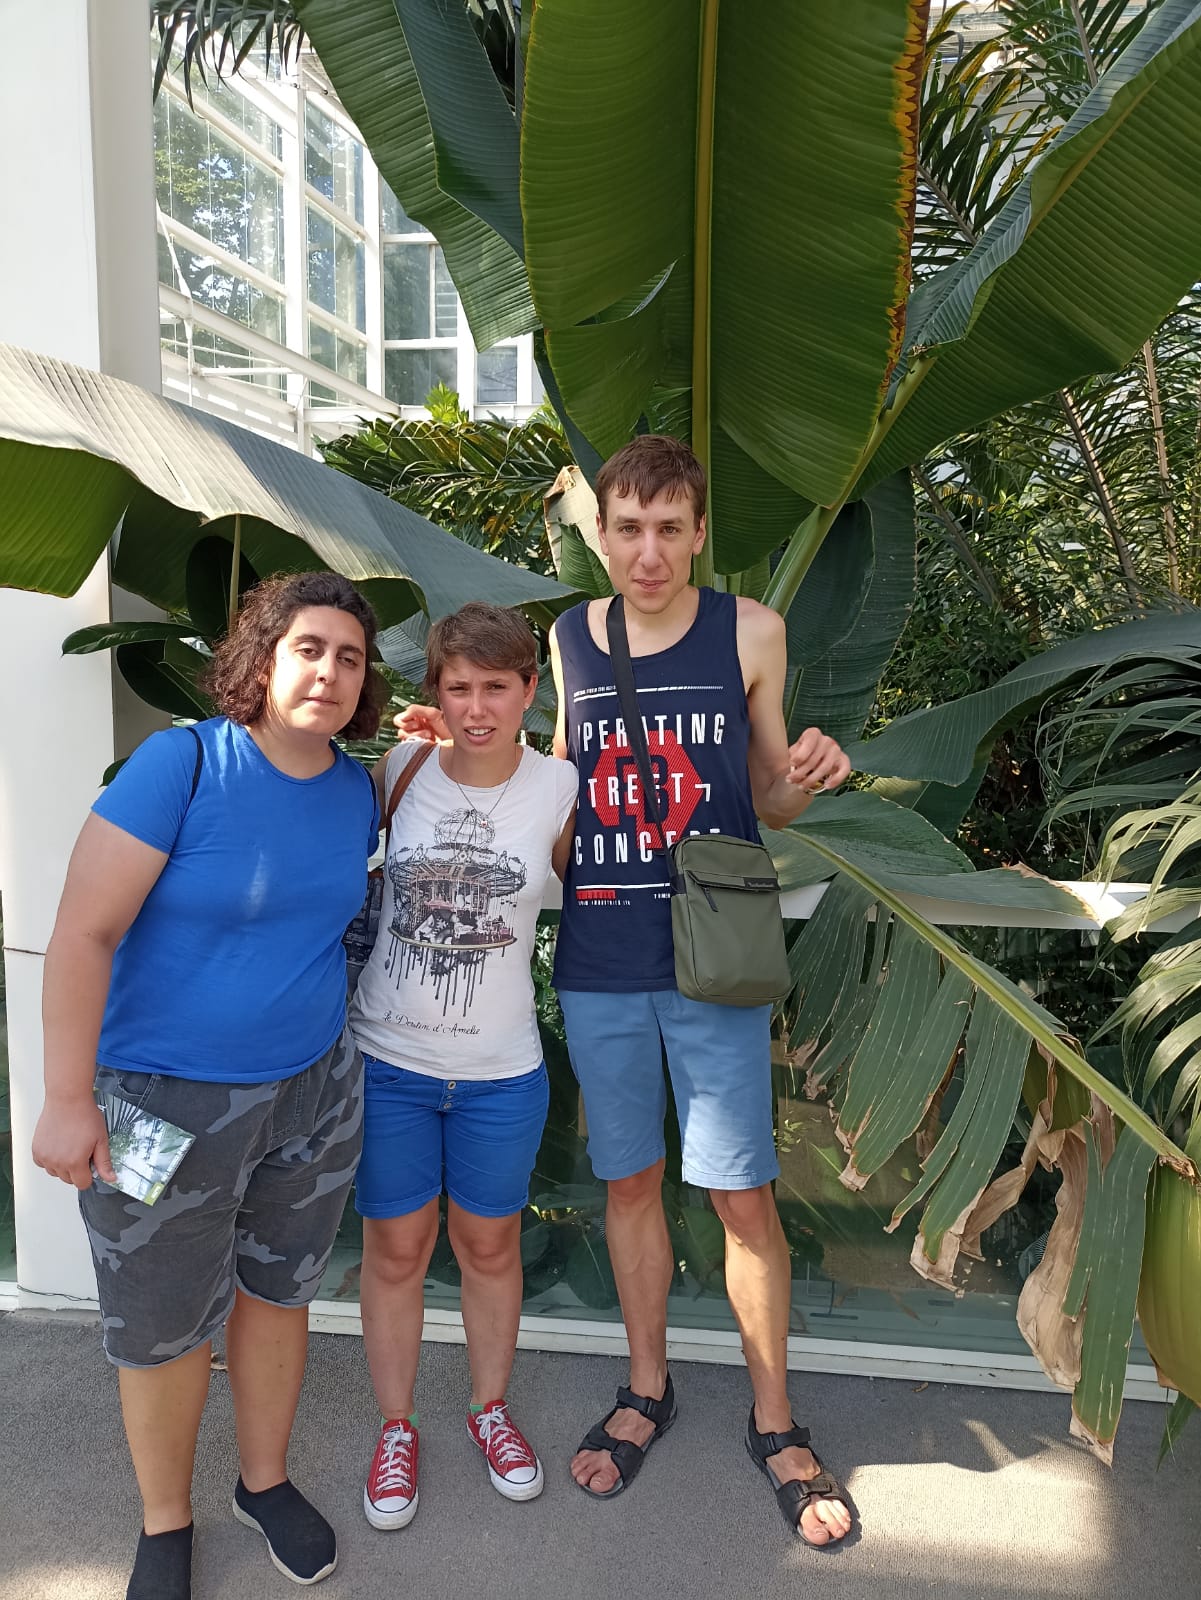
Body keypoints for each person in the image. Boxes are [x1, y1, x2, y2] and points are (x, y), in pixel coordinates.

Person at [397, 435, 856, 1547]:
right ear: (599, 535)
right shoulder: (571, 637)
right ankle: (646, 1387)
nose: (647, 552)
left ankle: (775, 1418)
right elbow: (558, 781)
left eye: (668, 529)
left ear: (698, 535)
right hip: (600, 954)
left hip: (711, 957)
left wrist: (801, 778)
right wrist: (451, 753)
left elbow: (765, 799)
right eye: (627, 529)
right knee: (629, 1182)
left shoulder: (750, 630)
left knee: (741, 1196)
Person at [32, 572, 385, 1600]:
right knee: (161, 1324)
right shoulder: (180, 763)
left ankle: (263, 1482)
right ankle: (165, 1520)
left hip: (313, 1093)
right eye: (308, 648)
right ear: (263, 657)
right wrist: (66, 1097)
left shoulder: (356, 788)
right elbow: (82, 933)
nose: (328, 671)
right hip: (158, 1104)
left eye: (350, 657)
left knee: (279, 1293)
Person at [350, 602, 577, 1532]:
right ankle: (395, 1427)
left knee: (489, 1246)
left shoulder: (560, 786)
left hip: (501, 1069)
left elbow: (615, 881)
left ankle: (489, 1409)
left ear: (528, 689)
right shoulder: (397, 771)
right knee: (396, 1251)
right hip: (388, 1061)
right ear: (434, 693)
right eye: (457, 688)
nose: (476, 707)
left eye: (495, 687)